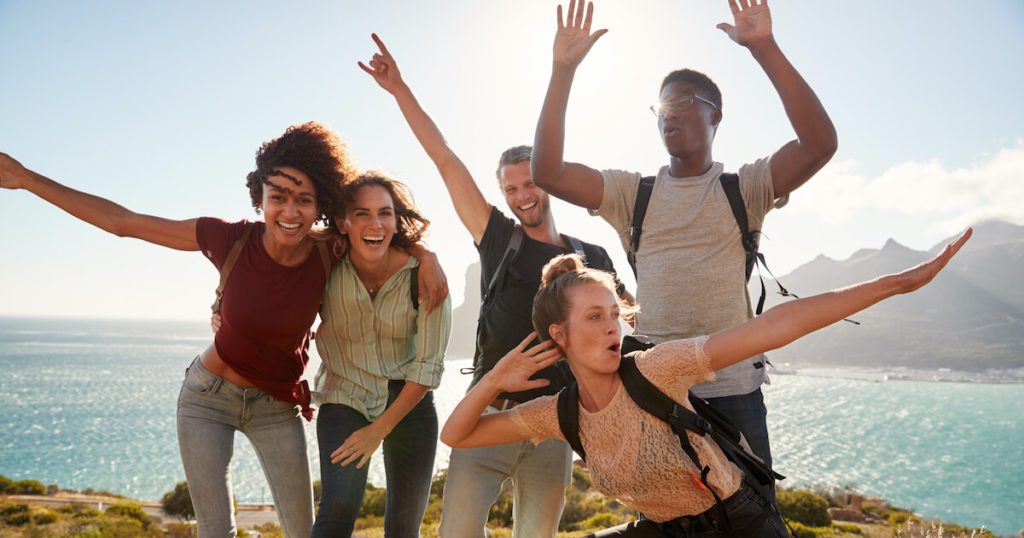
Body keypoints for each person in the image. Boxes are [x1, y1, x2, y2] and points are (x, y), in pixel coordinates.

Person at [0, 123, 447, 538]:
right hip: (207, 399)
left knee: (302, 527)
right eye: (278, 195)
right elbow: (124, 223)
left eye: (304, 199)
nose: (290, 211)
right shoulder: (228, 238)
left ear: (321, 206)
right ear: (260, 196)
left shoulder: (327, 251)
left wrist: (428, 255)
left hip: (275, 405)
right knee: (216, 531)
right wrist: (26, 178)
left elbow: (378, 232)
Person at [441, 229, 971, 537]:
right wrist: (493, 380)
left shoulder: (654, 368)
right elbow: (458, 436)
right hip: (664, 530)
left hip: (736, 525)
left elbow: (776, 326)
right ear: (559, 336)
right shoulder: (560, 413)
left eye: (614, 314)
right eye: (594, 318)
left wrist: (899, 283)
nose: (612, 327)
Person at [530, 0, 839, 480]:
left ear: (716, 116)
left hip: (734, 392)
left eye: (681, 103)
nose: (667, 116)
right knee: (668, 521)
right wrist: (562, 70)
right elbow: (546, 171)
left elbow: (820, 143)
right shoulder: (632, 194)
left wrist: (764, 48)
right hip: (655, 392)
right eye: (660, 108)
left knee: (754, 522)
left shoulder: (746, 188)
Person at [358, 33, 631, 537]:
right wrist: (400, 91)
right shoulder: (498, 238)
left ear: (546, 182)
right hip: (488, 416)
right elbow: (444, 159)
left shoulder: (593, 258)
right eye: (510, 189)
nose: (522, 196)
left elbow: (624, 341)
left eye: (530, 183)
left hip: (554, 425)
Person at [311, 171, 452, 538]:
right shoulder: (324, 265)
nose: (375, 224)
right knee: (338, 506)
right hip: (344, 396)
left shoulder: (424, 276)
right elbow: (273, 266)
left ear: (395, 219)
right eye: (361, 213)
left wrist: (379, 430)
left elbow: (427, 367)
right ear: (343, 222)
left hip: (410, 403)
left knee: (404, 526)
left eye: (384, 213)